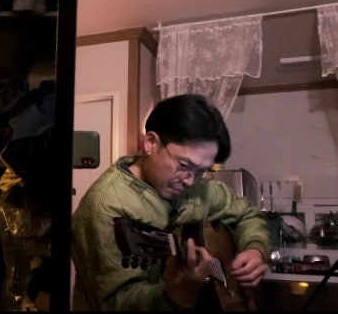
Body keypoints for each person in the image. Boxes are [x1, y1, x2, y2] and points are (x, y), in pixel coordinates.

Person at [71, 94, 271, 311]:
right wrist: (181, 288)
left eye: (201, 171)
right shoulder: (107, 209)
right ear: (150, 143)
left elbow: (246, 212)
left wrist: (255, 249)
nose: (190, 180)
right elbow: (118, 303)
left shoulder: (194, 187)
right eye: (184, 165)